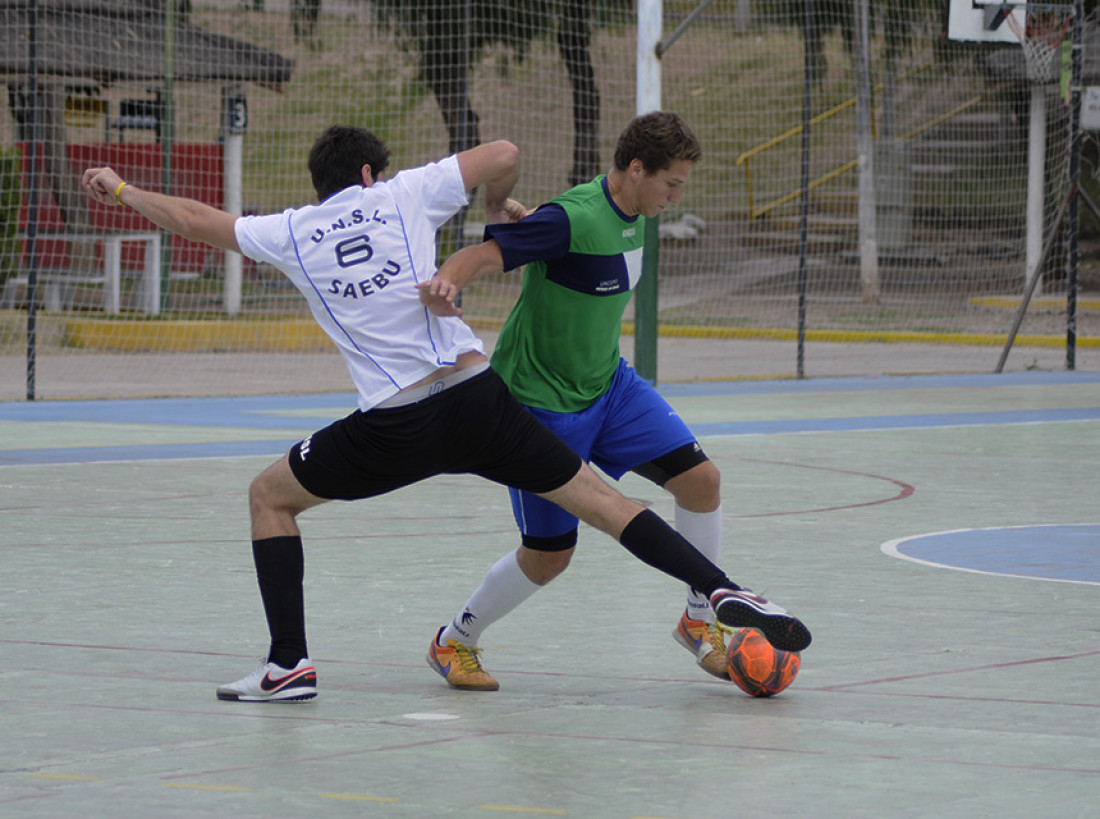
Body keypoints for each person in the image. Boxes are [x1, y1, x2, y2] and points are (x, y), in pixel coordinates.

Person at [81, 124, 810, 702]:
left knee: (269, 496)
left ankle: (288, 665)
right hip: (479, 397)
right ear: (370, 174)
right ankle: (716, 587)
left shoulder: (291, 231)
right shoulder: (405, 194)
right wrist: (496, 204)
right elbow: (505, 152)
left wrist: (119, 186)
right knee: (607, 503)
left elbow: (195, 218)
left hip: (394, 423)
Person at [419, 111, 774, 691]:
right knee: (549, 556)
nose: (677, 194)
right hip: (540, 407)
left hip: (610, 386)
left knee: (701, 480)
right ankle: (454, 639)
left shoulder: (633, 211)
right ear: (636, 169)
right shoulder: (572, 218)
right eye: (672, 183)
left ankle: (699, 619)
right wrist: (447, 282)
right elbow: (484, 255)